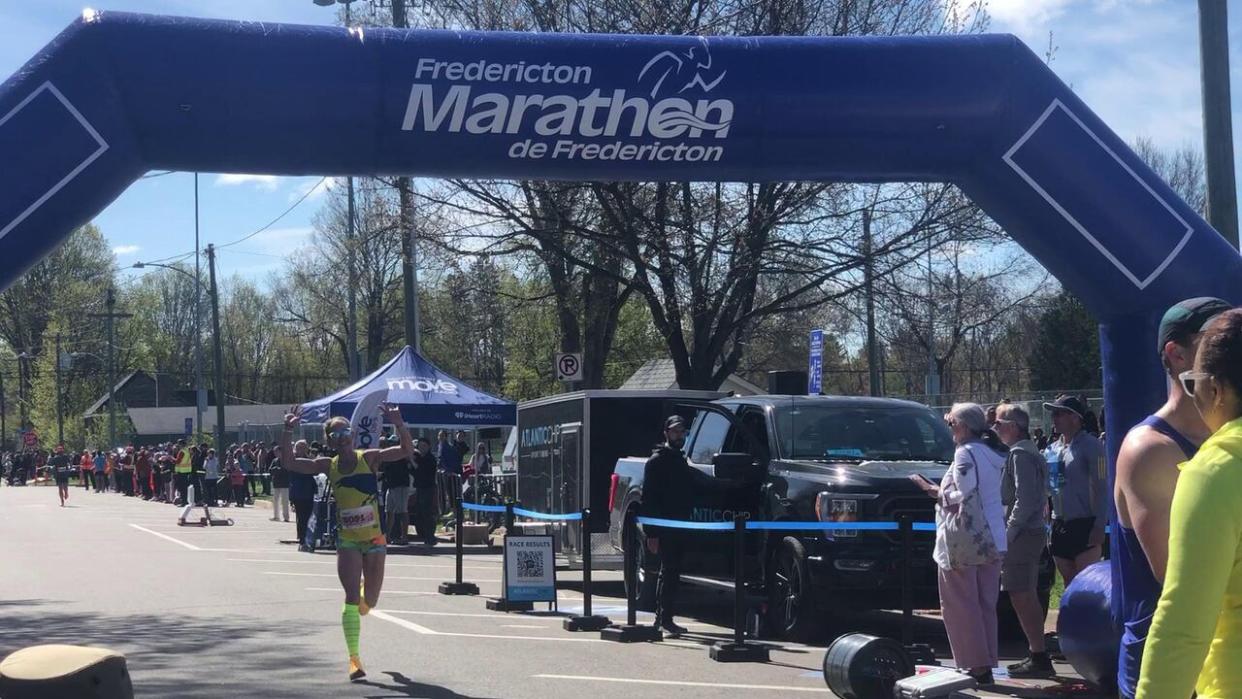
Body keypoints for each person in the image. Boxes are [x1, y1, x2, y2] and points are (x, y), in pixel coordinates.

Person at [1114, 297, 1230, 699]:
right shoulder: (1151, 449)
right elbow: (1176, 581)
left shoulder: (1227, 445)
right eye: (1213, 339)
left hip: (1220, 657)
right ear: (1176, 354)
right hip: (1165, 662)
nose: (1228, 349)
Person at [280, 403, 413, 681]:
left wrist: (399, 423)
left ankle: (367, 596)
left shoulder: (370, 458)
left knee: (370, 601)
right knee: (351, 597)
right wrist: (288, 429)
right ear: (329, 440)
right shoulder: (328, 465)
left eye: (345, 433)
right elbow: (290, 463)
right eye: (335, 435)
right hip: (348, 541)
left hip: (375, 539)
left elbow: (405, 451)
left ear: (352, 435)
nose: (341, 439)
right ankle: (354, 659)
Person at [910, 403, 1007, 685]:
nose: (950, 428)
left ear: (963, 426)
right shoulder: (995, 452)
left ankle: (975, 664)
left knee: (961, 603)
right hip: (994, 538)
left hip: (967, 540)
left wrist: (935, 492)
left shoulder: (965, 453)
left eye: (951, 423)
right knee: (985, 603)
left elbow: (963, 492)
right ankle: (986, 659)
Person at [640, 414, 755, 636]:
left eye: (682, 432)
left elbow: (701, 483)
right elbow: (649, 498)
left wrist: (736, 486)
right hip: (664, 527)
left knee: (673, 572)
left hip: (682, 523)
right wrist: (651, 533)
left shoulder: (679, 460)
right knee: (669, 570)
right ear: (666, 433)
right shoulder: (657, 462)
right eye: (674, 431)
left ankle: (666, 619)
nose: (679, 436)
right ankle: (663, 619)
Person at [993, 403, 1053, 677]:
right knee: (1021, 593)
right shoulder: (1026, 452)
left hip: (1024, 533)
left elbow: (1025, 499)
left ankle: (1038, 654)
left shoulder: (1020, 454)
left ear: (1014, 427)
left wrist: (1009, 532)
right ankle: (1036, 652)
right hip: (1029, 531)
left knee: (1021, 593)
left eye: (999, 423)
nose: (995, 428)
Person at [1042, 394, 1107, 586]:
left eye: (1059, 414)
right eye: (1053, 414)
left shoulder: (1092, 446)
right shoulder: (1051, 449)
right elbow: (1049, 488)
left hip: (1085, 525)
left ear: (1075, 417)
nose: (1054, 418)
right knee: (1069, 587)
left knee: (1086, 587)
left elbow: (1103, 487)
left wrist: (1099, 526)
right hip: (1059, 525)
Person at [381, 435, 412, 545]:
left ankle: (404, 537)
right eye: (390, 443)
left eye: (393, 443)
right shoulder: (387, 455)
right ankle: (387, 536)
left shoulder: (402, 455)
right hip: (391, 485)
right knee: (389, 511)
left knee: (402, 511)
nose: (391, 445)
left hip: (401, 485)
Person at [410, 437, 439, 547]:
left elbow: (421, 470)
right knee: (420, 512)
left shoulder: (430, 459)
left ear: (428, 447)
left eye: (424, 446)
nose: (422, 448)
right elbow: (414, 472)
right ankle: (424, 536)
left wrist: (413, 462)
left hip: (428, 488)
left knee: (428, 513)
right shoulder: (419, 458)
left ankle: (430, 537)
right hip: (419, 488)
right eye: (420, 446)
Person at [290, 440, 317, 550]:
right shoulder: (293, 460)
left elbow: (315, 472)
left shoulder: (310, 460)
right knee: (301, 518)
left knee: (310, 517)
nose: (302, 449)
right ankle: (302, 540)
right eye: (300, 447)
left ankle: (309, 538)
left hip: (309, 492)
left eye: (304, 447)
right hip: (298, 493)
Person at [269, 445, 290, 523]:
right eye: (275, 452)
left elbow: (286, 470)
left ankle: (286, 517)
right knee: (275, 501)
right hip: (276, 483)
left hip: (284, 483)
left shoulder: (286, 461)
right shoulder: (274, 461)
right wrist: (275, 469)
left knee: (285, 501)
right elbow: (270, 470)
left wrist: (278, 470)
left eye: (277, 451)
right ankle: (276, 516)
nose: (275, 453)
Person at [173, 439, 193, 505]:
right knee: (184, 487)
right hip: (187, 471)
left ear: (181, 444)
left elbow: (177, 461)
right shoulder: (187, 450)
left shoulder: (182, 452)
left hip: (181, 472)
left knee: (182, 488)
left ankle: (183, 501)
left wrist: (170, 458)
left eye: (178, 444)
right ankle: (185, 501)